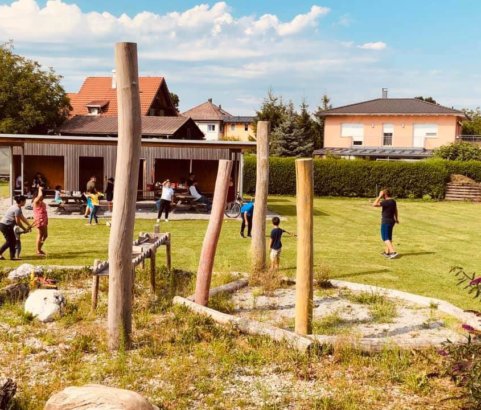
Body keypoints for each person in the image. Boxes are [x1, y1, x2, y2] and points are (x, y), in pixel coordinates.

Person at [0, 195, 32, 260]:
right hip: (6, 226)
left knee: (13, 241)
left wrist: (29, 224)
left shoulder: (17, 207)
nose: (25, 203)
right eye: (25, 201)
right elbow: (18, 222)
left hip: (5, 225)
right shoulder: (16, 209)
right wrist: (24, 229)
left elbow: (22, 217)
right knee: (10, 241)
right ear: (21, 201)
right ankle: (6, 255)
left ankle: (12, 257)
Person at [373, 188, 399, 259]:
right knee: (389, 237)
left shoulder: (386, 202)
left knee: (385, 238)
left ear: (385, 194)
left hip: (386, 221)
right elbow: (395, 210)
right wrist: (396, 218)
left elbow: (374, 204)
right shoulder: (393, 201)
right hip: (391, 221)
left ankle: (393, 252)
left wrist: (379, 196)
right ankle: (387, 252)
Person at [33, 186, 49, 256]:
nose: (43, 197)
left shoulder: (42, 202)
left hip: (44, 220)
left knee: (45, 235)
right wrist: (39, 188)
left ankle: (39, 249)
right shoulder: (36, 201)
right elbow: (40, 195)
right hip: (39, 220)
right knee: (40, 235)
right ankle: (38, 251)